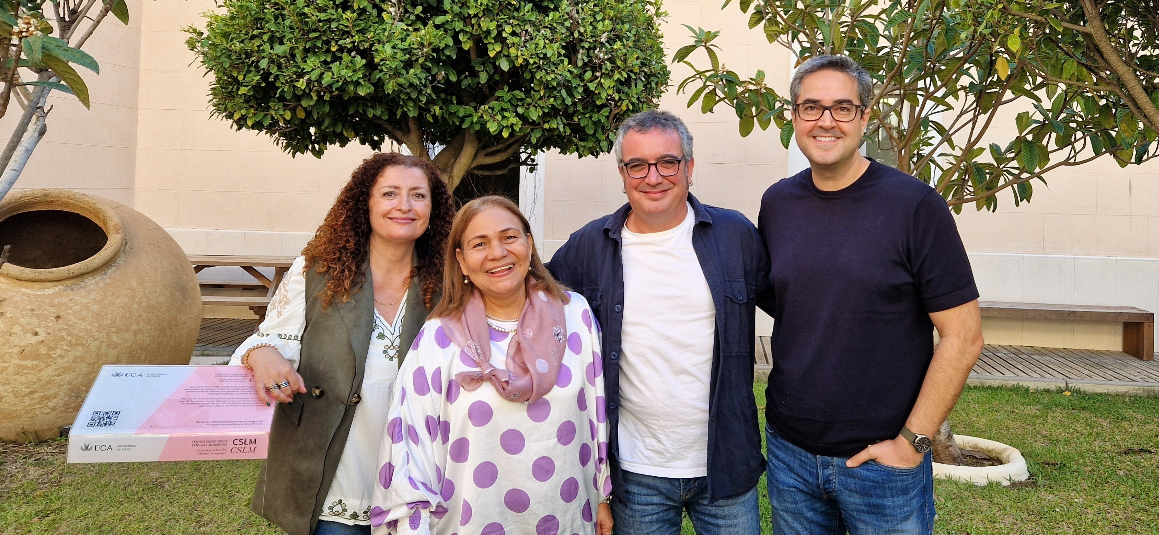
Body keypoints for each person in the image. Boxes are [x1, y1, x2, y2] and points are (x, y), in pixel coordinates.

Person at [758, 55, 985, 535]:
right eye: (811, 107)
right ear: (794, 117)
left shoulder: (915, 206)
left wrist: (912, 444)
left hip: (883, 464)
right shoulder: (777, 203)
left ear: (864, 117)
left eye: (842, 108)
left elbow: (963, 337)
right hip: (790, 452)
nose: (826, 121)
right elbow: (797, 305)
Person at [547, 110, 769, 535]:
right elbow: (531, 300)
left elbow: (793, 305)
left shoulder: (734, 235)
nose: (653, 177)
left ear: (689, 167)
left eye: (667, 162)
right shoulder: (590, 246)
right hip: (636, 472)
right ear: (622, 172)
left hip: (725, 462)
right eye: (637, 165)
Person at [231, 152, 454, 535]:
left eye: (418, 195)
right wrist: (263, 355)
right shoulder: (317, 269)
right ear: (364, 203)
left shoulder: (453, 282)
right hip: (335, 471)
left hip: (420, 471)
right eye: (389, 193)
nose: (404, 205)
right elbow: (269, 339)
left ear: (433, 209)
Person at [372, 196, 612, 535]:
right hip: (470, 521)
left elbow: (596, 415)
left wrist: (602, 496)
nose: (497, 252)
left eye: (509, 237)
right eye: (479, 244)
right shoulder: (438, 339)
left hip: (566, 515)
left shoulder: (575, 314)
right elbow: (411, 443)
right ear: (462, 261)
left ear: (529, 244)